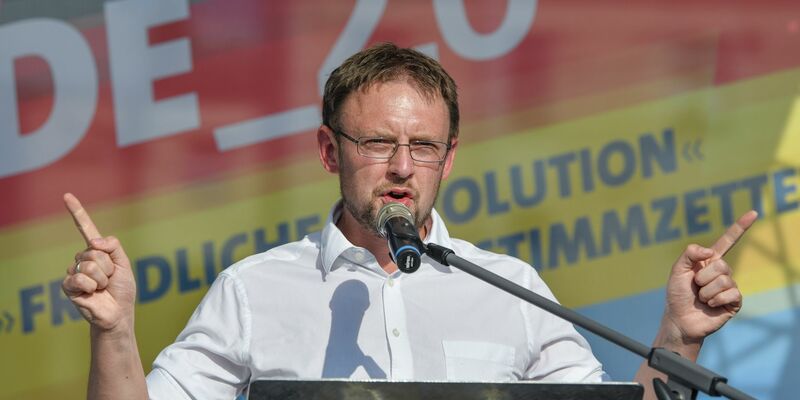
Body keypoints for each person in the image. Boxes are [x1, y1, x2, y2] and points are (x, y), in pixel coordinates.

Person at [61, 42, 756, 400]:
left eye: (422, 146)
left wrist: (679, 339)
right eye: (376, 143)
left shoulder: (509, 287)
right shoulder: (253, 290)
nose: (401, 167)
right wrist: (114, 330)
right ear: (330, 150)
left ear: (449, 159)